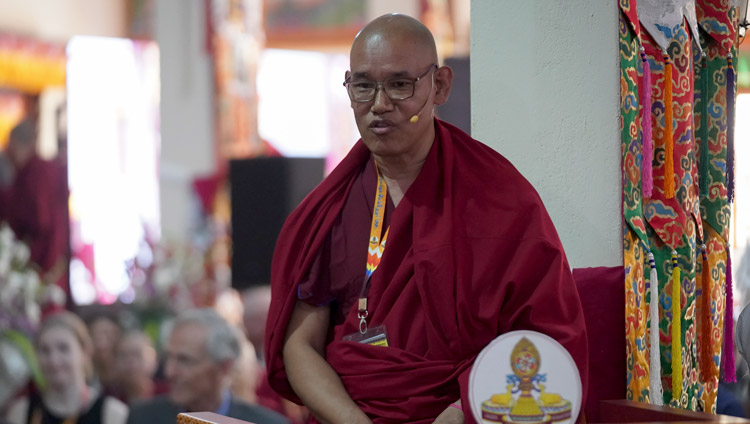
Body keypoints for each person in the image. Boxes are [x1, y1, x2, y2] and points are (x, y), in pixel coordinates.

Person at [264, 13, 588, 424]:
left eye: (400, 84)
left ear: (440, 86)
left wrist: (461, 413)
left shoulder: (500, 200)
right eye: (363, 86)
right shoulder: (332, 208)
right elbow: (300, 345)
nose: (379, 105)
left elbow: (544, 341)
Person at [126, 308, 288, 424]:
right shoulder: (143, 417)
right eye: (169, 358)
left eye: (185, 360)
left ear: (224, 368)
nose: (169, 372)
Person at [4, 311, 128, 424]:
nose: (53, 360)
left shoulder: (112, 414)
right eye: (45, 350)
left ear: (84, 352)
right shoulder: (21, 412)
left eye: (63, 348)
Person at [3, 119, 69, 297]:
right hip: (56, 260)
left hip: (42, 262)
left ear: (16, 144)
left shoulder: (35, 174)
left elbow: (41, 220)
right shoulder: (44, 170)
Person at [112, 330, 165, 405]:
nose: (130, 361)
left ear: (154, 359)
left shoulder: (167, 394)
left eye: (136, 354)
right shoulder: (111, 400)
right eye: (124, 355)